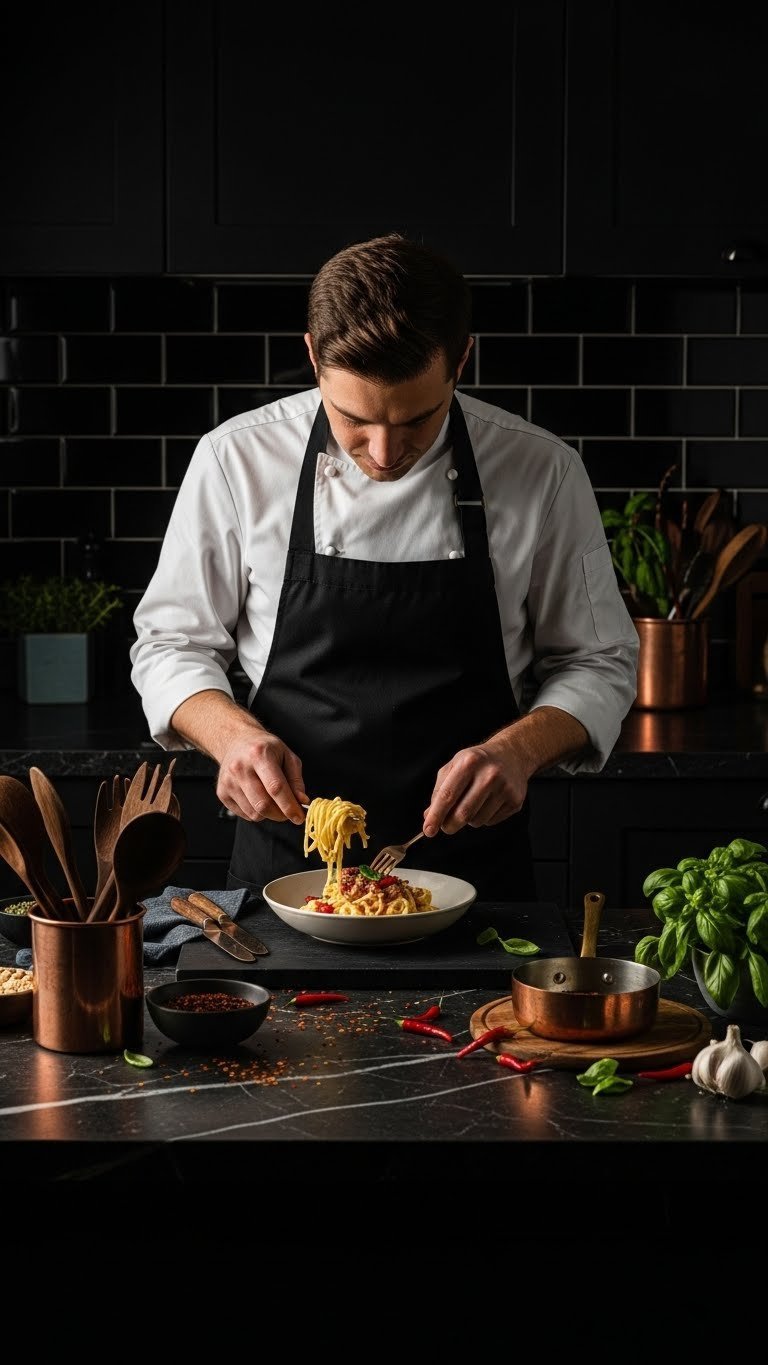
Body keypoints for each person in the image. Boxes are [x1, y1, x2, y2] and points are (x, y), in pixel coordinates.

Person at [130, 232, 639, 901]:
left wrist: (517, 751)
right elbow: (171, 644)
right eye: (353, 420)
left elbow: (599, 660)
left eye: (417, 421)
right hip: (285, 872)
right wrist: (232, 738)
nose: (384, 450)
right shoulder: (237, 460)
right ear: (313, 356)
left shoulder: (540, 469)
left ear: (462, 359)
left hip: (476, 873)